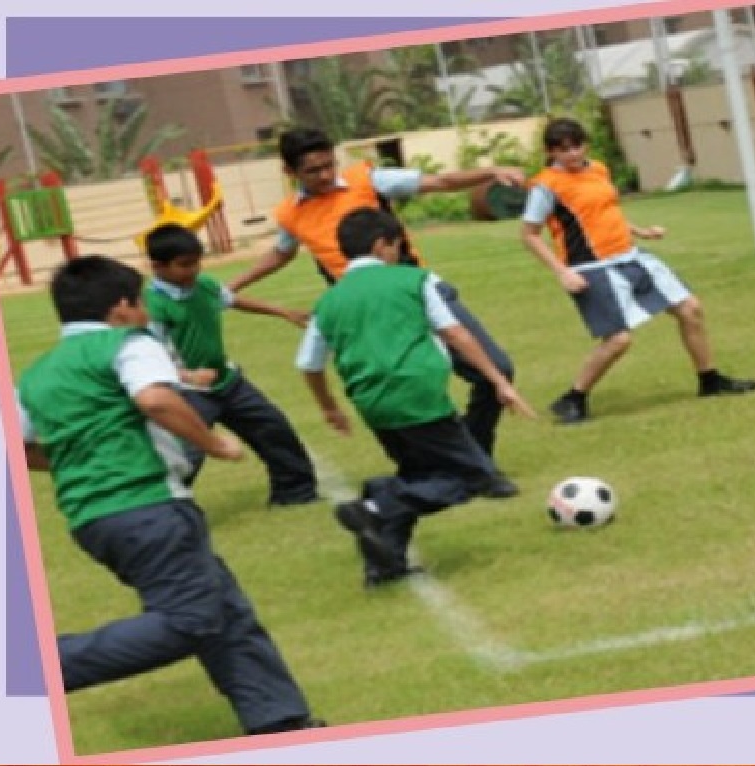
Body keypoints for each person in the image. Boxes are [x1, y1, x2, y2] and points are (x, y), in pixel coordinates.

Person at [16, 256, 323, 737]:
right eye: (140, 302)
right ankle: (38, 667)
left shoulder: (35, 375)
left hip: (92, 519)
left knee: (223, 607)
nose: (145, 312)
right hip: (147, 505)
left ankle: (278, 719)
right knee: (191, 619)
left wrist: (75, 463)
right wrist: (214, 444)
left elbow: (18, 445)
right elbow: (155, 399)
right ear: (121, 307)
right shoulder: (129, 343)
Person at [228, 127, 522, 496]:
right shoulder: (290, 214)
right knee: (399, 390)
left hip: (419, 293)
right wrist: (233, 286)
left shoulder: (368, 180)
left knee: (496, 370)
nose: (325, 175)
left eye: (328, 165)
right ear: (290, 172)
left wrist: (491, 172)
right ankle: (468, 469)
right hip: (367, 316)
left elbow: (440, 181)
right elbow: (281, 253)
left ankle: (470, 456)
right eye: (313, 170)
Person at [296, 208, 536, 588]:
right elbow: (455, 333)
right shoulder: (414, 280)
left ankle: (384, 564)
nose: (399, 253)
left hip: (373, 405)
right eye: (397, 246)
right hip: (419, 397)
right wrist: (498, 381)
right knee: (473, 478)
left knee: (417, 477)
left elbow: (309, 364)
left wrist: (329, 407)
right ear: (382, 245)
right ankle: (377, 504)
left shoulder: (328, 302)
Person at [520, 117, 755, 425]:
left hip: (631, 256)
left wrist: (640, 231)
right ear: (550, 151)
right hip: (591, 268)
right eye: (562, 149)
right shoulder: (545, 186)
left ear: (585, 145)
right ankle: (574, 398)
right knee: (618, 340)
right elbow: (529, 234)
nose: (572, 154)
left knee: (690, 309)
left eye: (576, 146)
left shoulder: (598, 169)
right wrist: (561, 272)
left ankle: (710, 380)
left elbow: (605, 210)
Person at [144, 223, 319, 507]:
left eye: (197, 262)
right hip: (186, 392)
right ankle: (159, 511)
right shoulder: (152, 306)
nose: (193, 270)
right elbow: (150, 358)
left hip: (227, 381)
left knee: (273, 428)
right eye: (184, 265)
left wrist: (282, 312)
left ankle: (296, 493)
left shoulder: (204, 285)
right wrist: (188, 376)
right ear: (157, 267)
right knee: (185, 456)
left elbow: (231, 299)